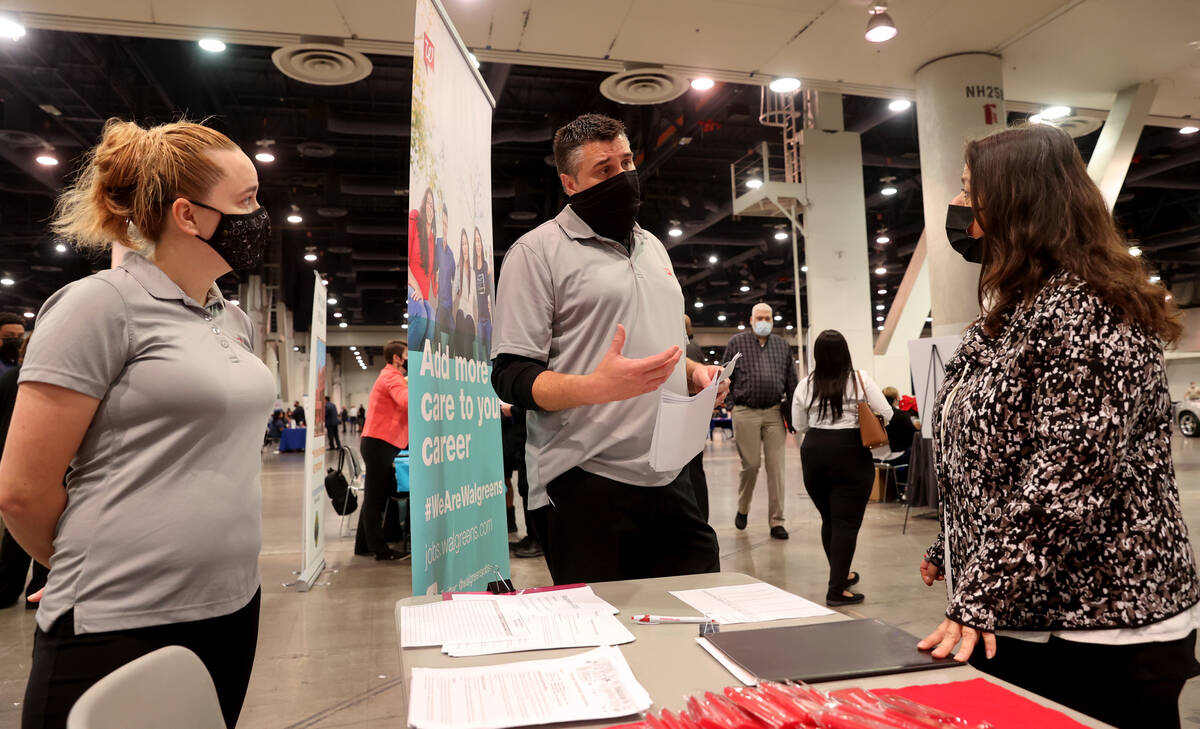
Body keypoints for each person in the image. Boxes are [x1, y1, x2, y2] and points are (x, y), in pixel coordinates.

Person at [916, 124, 1200, 729]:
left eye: (972, 192)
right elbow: (1000, 455)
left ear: (1017, 200)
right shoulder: (1020, 309)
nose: (961, 209)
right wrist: (958, 547)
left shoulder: (1093, 309)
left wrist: (980, 590)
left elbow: (1069, 479)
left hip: (1106, 627)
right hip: (1033, 613)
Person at [0, 118, 275, 729]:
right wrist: (77, 565)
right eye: (248, 200)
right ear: (188, 214)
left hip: (232, 604)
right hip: (123, 615)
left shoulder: (230, 319)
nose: (262, 216)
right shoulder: (99, 306)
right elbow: (22, 490)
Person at [490, 113, 727, 585]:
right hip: (584, 481)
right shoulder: (536, 254)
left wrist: (694, 372)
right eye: (604, 170)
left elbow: (663, 345)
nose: (623, 178)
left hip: (671, 472)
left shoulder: (653, 248)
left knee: (697, 623)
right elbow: (511, 375)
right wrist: (593, 387)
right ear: (570, 183)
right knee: (607, 640)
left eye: (627, 163)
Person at [791, 330, 891, 606]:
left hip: (814, 454)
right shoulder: (860, 380)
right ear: (845, 352)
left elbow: (798, 425)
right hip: (851, 454)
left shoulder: (805, 385)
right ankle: (836, 592)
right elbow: (888, 413)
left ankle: (841, 575)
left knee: (831, 520)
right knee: (846, 524)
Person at [724, 302, 798, 539]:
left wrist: (794, 413)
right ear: (751, 320)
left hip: (774, 413)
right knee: (751, 465)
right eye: (760, 318)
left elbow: (791, 381)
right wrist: (730, 405)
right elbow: (726, 376)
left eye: (768, 318)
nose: (764, 322)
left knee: (776, 468)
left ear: (772, 321)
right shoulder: (737, 342)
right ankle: (743, 508)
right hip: (745, 411)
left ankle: (777, 521)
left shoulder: (782, 345)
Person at [0, 337, 49, 610]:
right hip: (41, 462)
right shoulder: (45, 380)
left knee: (15, 530)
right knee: (47, 525)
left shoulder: (10, 378)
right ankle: (37, 592)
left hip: (10, 459)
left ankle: (6, 590)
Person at [356, 339, 408, 561]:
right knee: (375, 498)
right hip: (379, 443)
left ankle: (364, 544)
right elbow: (405, 401)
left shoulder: (391, 376)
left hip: (381, 443)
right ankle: (380, 549)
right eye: (406, 356)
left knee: (378, 495)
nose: (409, 361)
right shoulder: (391, 376)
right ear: (397, 358)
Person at [682, 314, 709, 522]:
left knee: (689, 470)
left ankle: (697, 516)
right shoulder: (695, 348)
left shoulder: (686, 350)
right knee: (696, 469)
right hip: (693, 414)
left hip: (685, 415)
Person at [407, 188, 437, 348]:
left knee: (431, 321)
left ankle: (419, 366)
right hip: (411, 286)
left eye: (433, 206)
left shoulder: (432, 239)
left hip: (423, 295)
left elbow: (432, 275)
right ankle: (409, 361)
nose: (430, 209)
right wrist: (416, 287)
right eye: (428, 204)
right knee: (421, 316)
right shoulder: (414, 219)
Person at [434, 200, 455, 348]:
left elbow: (455, 280)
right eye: (442, 223)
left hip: (449, 306)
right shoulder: (436, 245)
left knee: (453, 339)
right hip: (439, 303)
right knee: (438, 341)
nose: (444, 227)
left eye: (446, 224)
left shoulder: (450, 254)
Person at [881, 386, 917, 466]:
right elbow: (914, 436)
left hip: (879, 458)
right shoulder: (901, 415)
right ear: (897, 398)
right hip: (899, 457)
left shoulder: (876, 416)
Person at [472, 227, 494, 361]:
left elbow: (490, 292)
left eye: (479, 240)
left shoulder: (486, 267)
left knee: (490, 354)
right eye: (476, 241)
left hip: (488, 317)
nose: (478, 244)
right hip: (478, 318)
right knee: (480, 355)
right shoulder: (472, 267)